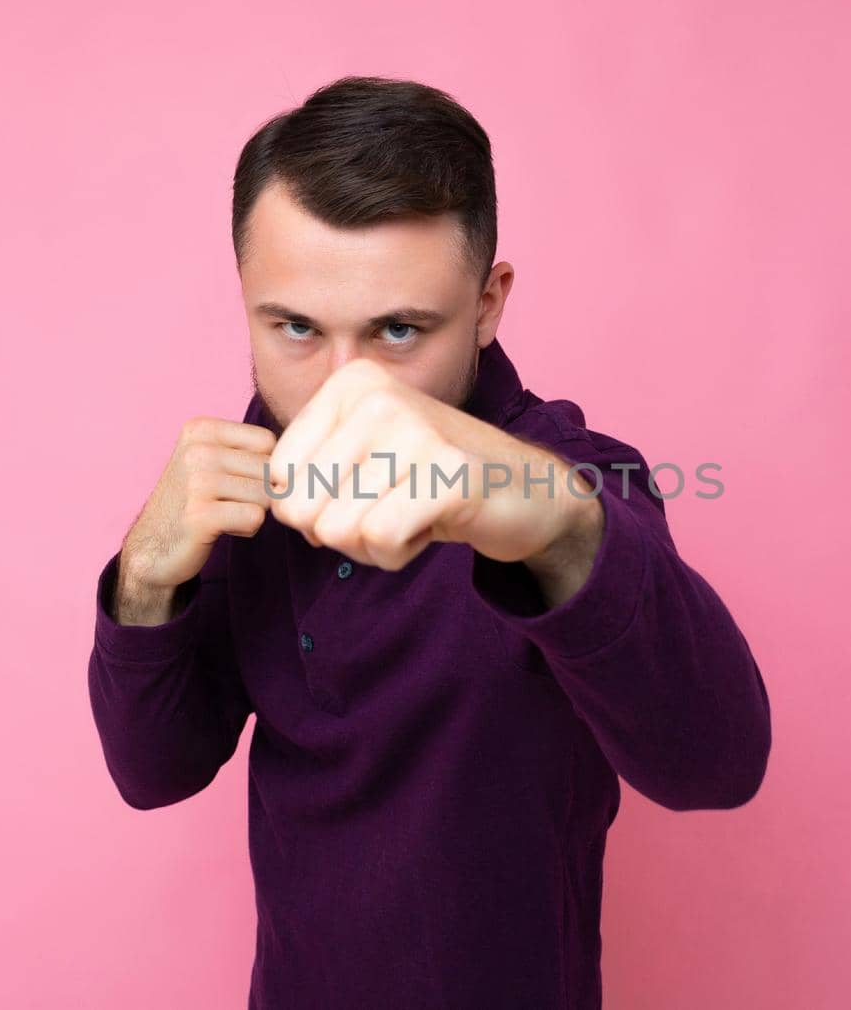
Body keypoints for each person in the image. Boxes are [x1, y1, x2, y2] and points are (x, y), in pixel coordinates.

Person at [87, 75, 772, 1009]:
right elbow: (154, 770)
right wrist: (147, 575)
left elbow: (716, 763)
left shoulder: (577, 478)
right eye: (294, 326)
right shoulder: (249, 478)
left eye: (398, 330)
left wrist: (545, 515)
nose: (341, 390)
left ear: (487, 304)